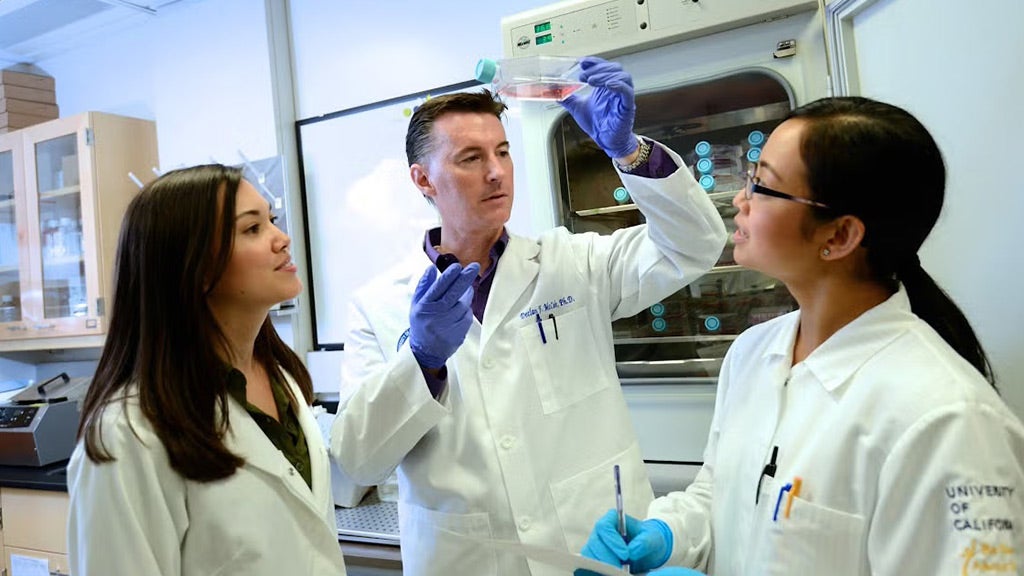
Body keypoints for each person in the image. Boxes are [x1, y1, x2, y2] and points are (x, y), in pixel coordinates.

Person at [576, 96, 1024, 576]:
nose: (741, 199)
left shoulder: (946, 419)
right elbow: (722, 495)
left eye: (764, 186)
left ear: (839, 236)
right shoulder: (754, 352)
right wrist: (668, 534)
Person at [329, 56, 727, 576]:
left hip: (593, 550)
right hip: (469, 561)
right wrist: (421, 362)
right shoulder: (378, 304)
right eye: (470, 158)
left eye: (502, 152)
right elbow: (358, 461)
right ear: (423, 179)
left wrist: (629, 151)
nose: (496, 172)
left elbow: (695, 244)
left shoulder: (573, 263)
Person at [67, 165, 347, 575]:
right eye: (252, 229)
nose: (282, 238)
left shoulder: (280, 381)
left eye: (271, 220)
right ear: (193, 267)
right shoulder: (128, 434)